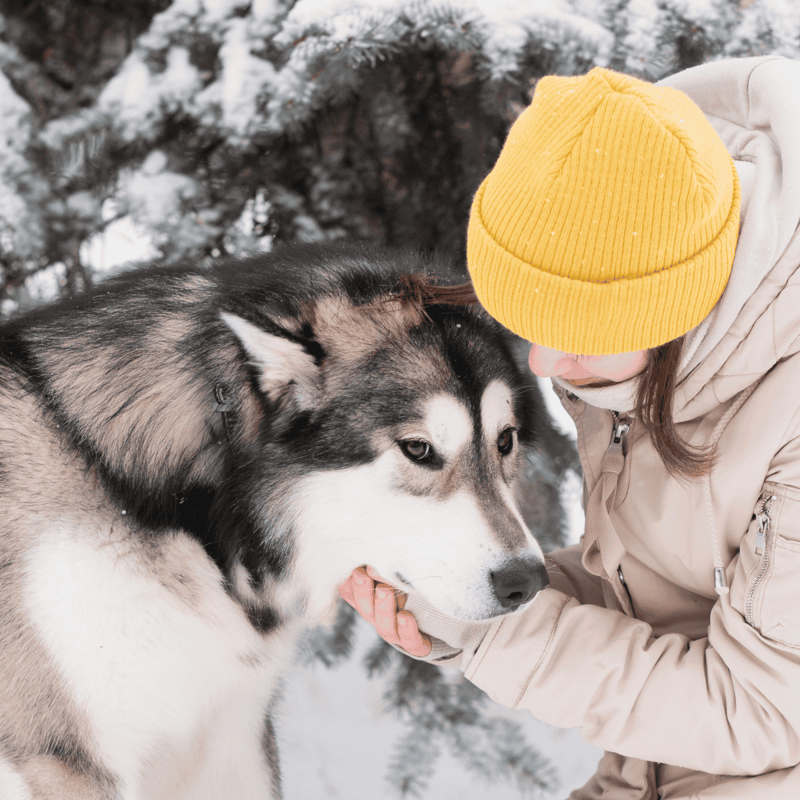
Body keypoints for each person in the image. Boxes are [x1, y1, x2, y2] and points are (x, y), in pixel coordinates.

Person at [339, 56, 800, 798]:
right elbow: (673, 601)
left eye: (580, 330)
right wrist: (465, 598)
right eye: (531, 325)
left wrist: (494, 633)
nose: (548, 363)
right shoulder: (654, 336)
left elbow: (760, 712)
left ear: (673, 305)